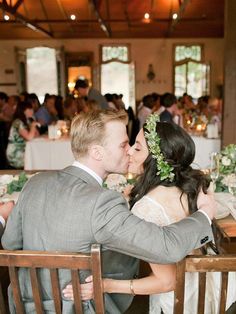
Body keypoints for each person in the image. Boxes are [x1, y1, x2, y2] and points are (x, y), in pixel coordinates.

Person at [2, 110, 215, 314]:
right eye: (123, 144)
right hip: (78, 307)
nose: (129, 150)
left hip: (23, 304)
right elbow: (166, 246)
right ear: (97, 152)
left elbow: (10, 243)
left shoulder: (35, 182)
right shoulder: (102, 203)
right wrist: (204, 213)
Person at [63, 115, 236, 313]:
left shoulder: (146, 207)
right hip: (212, 288)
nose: (128, 151)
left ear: (155, 159)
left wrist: (106, 285)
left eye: (137, 147)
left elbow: (166, 282)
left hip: (179, 301)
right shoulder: (194, 186)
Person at [6, 101, 39, 169]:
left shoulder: (27, 121)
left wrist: (32, 123)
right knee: (37, 158)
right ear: (23, 110)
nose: (32, 111)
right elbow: (29, 137)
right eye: (29, 109)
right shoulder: (18, 122)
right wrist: (33, 126)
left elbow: (37, 135)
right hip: (16, 153)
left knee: (38, 156)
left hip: (24, 150)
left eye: (32, 109)